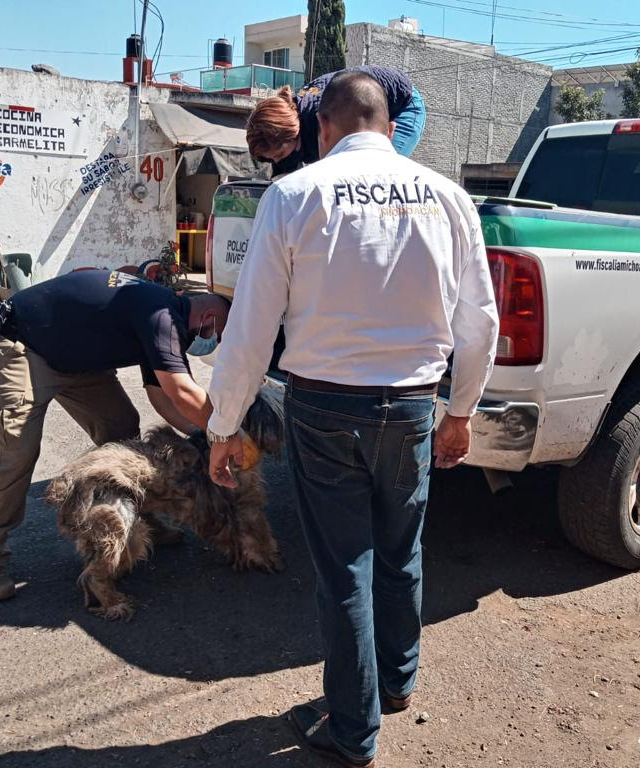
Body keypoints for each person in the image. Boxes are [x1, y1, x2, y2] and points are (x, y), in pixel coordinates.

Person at [206, 72, 499, 767]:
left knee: (345, 570)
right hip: (413, 406)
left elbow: (249, 330)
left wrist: (224, 427)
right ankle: (395, 685)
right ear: (390, 125)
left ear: (325, 128)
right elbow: (479, 323)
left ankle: (353, 730)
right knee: (401, 550)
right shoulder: (451, 199)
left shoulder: (293, 196)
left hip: (324, 407)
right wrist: (460, 412)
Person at [0, 269, 230, 602]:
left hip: (75, 358)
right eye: (219, 333)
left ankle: (138, 519)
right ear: (207, 316)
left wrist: (201, 433)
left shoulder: (168, 317)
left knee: (121, 428)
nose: (215, 341)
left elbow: (162, 397)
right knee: (17, 452)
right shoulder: (162, 317)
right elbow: (181, 391)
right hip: (22, 345)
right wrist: (226, 432)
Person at [245, 64, 426, 175]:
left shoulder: (320, 117)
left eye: (279, 155)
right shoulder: (290, 138)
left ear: (293, 133)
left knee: (376, 171)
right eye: (272, 159)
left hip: (402, 103)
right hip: (364, 102)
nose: (277, 161)